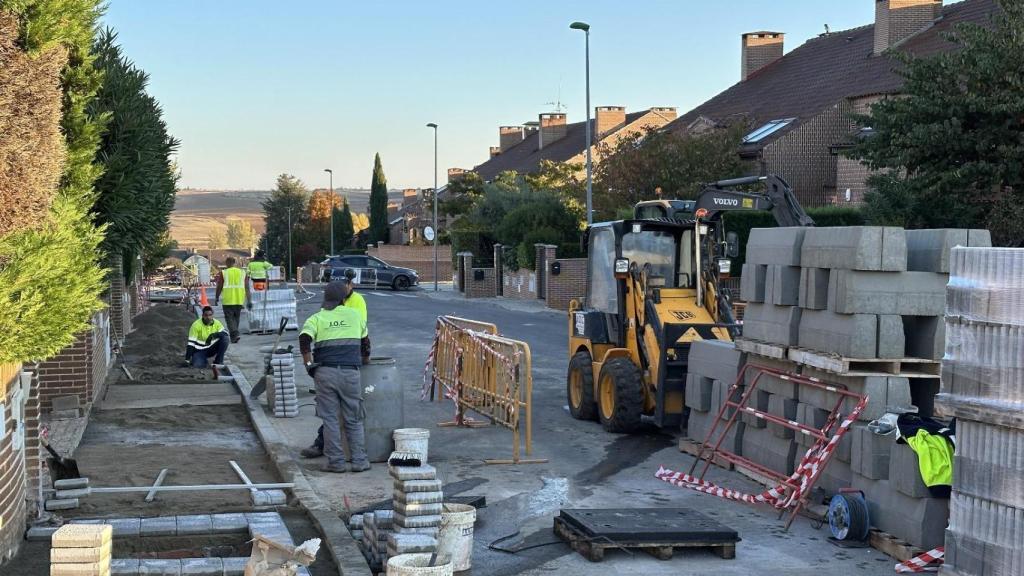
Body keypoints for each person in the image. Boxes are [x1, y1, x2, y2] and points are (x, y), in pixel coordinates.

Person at [300, 281, 371, 473]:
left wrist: (309, 367)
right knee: (354, 419)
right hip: (350, 373)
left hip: (325, 373)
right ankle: (359, 461)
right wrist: (364, 361)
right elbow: (365, 344)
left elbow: (304, 341)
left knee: (330, 419)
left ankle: (336, 462)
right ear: (343, 298)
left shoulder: (316, 318)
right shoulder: (355, 316)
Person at [184, 306, 229, 378]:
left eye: (210, 315)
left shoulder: (216, 323)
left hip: (211, 348)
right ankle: (197, 359)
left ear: (212, 315)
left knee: (225, 339)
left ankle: (218, 362)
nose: (208, 317)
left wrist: (213, 335)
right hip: (199, 351)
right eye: (206, 315)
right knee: (199, 365)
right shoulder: (196, 325)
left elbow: (226, 333)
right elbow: (191, 344)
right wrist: (187, 359)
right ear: (202, 316)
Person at [214, 256, 250, 343]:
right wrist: (249, 300)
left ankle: (235, 333)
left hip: (228, 299)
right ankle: (234, 337)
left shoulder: (224, 273)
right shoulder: (242, 272)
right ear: (235, 263)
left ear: (227, 263)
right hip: (239, 299)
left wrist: (217, 297)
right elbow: (247, 287)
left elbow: (219, 286)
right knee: (236, 318)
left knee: (229, 318)